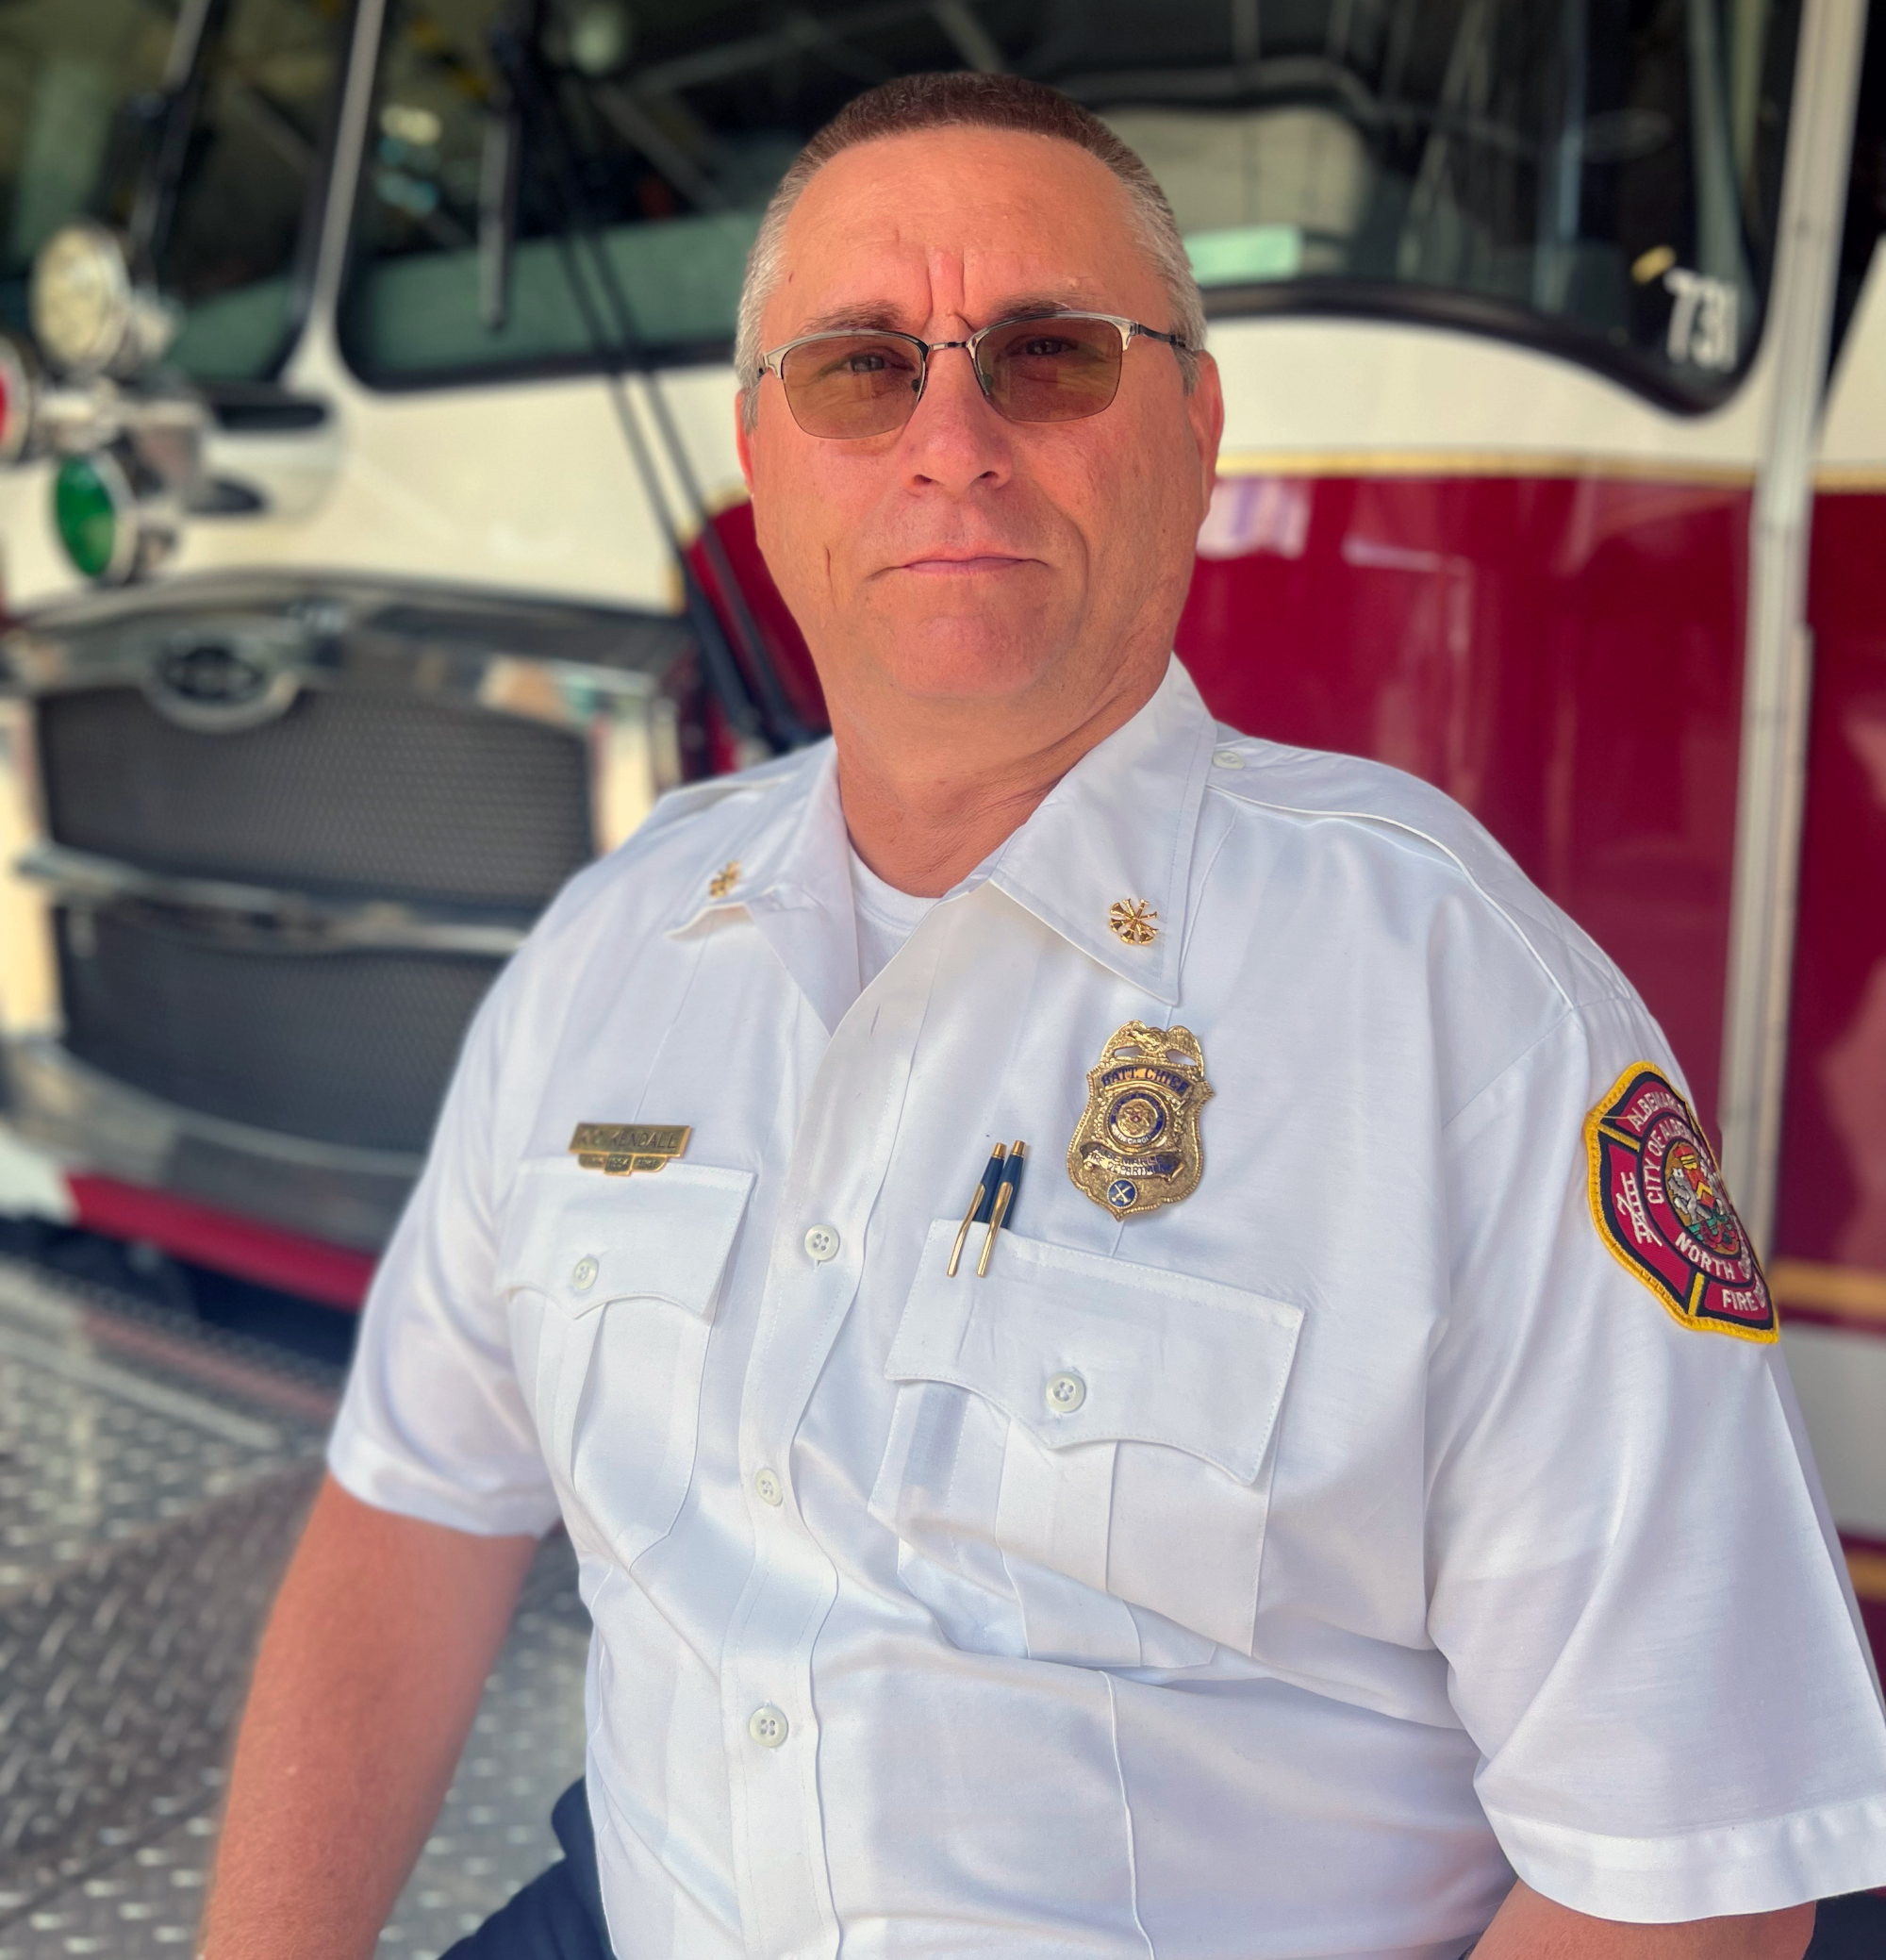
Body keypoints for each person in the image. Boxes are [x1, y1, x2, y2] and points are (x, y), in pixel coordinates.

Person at [200, 73, 1886, 1960]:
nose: (950, 441)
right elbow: (410, 1519)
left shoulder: (1464, 1018)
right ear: (761, 461)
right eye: (858, 370)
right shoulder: (610, 947)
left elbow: (1689, 1874)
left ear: (1193, 420)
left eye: (1049, 355)